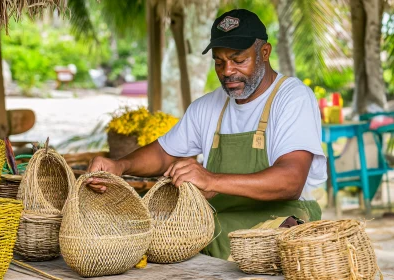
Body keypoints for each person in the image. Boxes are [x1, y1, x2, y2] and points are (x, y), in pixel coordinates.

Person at [86, 9, 327, 260]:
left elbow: (290, 180)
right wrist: (120, 165)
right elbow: (164, 152)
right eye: (219, 62)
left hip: (281, 219)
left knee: (202, 241)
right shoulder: (208, 106)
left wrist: (211, 180)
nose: (227, 71)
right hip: (219, 219)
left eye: (238, 60)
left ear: (264, 53)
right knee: (142, 225)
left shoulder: (291, 98)